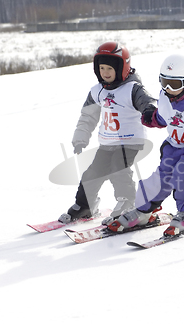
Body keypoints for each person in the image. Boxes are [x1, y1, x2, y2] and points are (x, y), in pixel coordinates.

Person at [106, 54, 184, 236]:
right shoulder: (165, 97)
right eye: (164, 82)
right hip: (173, 146)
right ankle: (143, 211)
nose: (169, 88)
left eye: (175, 84)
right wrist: (152, 119)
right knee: (161, 177)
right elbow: (166, 117)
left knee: (183, 174)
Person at [58, 42, 157, 224]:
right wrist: (80, 139)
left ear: (122, 67)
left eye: (110, 68)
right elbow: (88, 117)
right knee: (92, 173)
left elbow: (148, 102)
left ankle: (127, 202)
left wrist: (150, 111)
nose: (105, 72)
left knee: (118, 169)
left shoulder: (133, 89)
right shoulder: (97, 91)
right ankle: (85, 205)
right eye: (101, 68)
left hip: (130, 140)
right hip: (107, 142)